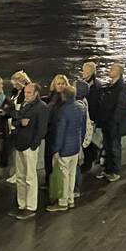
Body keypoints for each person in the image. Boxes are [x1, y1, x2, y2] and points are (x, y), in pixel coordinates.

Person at [8, 81, 49, 218]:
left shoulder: (41, 107)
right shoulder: (25, 105)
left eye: (29, 93)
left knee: (30, 177)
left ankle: (31, 206)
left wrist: (34, 145)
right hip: (20, 144)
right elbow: (15, 121)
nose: (26, 95)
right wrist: (21, 123)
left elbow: (42, 129)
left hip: (29, 146)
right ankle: (21, 204)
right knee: (20, 176)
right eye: (25, 92)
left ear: (36, 93)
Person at [46, 81, 86, 210]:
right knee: (71, 173)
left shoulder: (63, 111)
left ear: (64, 96)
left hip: (64, 148)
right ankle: (70, 198)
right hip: (75, 146)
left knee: (63, 175)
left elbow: (60, 132)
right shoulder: (81, 107)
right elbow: (83, 128)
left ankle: (62, 202)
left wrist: (56, 149)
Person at [97, 63, 126, 180]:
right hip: (107, 122)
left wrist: (114, 120)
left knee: (114, 147)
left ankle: (115, 171)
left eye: (112, 69)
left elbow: (122, 106)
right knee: (107, 147)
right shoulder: (112, 85)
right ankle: (108, 169)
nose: (110, 70)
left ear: (119, 72)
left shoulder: (121, 87)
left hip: (114, 123)